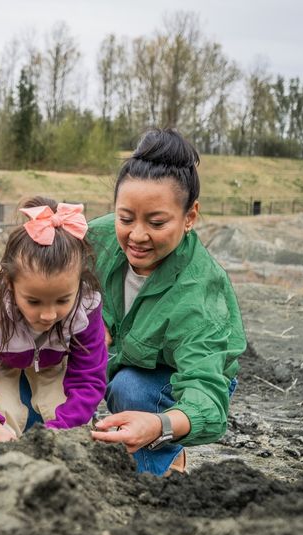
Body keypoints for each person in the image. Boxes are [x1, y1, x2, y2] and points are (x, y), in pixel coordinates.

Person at [89, 128, 246, 476]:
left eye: (156, 222)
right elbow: (42, 271)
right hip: (123, 354)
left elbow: (206, 394)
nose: (137, 235)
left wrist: (160, 425)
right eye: (125, 218)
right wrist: (83, 316)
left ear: (189, 217)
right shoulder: (95, 238)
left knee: (129, 387)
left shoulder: (199, 294)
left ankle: (159, 469)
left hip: (185, 374)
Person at [0, 197, 108, 440]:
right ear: (9, 283)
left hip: (55, 364)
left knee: (63, 414)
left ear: (79, 284)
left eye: (62, 301)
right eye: (33, 302)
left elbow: (88, 378)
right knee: (5, 413)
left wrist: (57, 434)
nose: (48, 315)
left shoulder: (86, 307)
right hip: (5, 363)